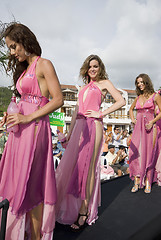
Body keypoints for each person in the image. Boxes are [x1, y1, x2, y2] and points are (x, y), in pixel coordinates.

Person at [0, 23, 63, 240]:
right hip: (19, 133)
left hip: (35, 131)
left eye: (13, 46)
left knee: (33, 187)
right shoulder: (24, 69)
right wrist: (10, 116)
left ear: (24, 40)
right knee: (17, 181)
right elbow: (23, 101)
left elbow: (58, 100)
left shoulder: (44, 64)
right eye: (9, 48)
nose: (11, 52)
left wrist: (27, 117)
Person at [55, 54, 125, 231]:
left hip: (93, 127)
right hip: (79, 126)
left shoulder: (104, 84)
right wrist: (70, 133)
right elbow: (77, 110)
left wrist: (101, 113)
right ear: (86, 69)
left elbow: (121, 101)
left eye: (96, 66)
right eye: (90, 66)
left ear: (100, 68)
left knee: (89, 169)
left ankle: (84, 210)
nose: (92, 69)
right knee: (74, 168)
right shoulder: (84, 87)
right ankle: (71, 205)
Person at [129, 73, 161, 194]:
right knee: (135, 152)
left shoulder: (155, 96)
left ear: (147, 82)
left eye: (142, 82)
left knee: (149, 153)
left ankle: (148, 180)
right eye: (138, 82)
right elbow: (130, 109)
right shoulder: (138, 97)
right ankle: (137, 179)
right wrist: (132, 119)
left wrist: (152, 122)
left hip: (149, 128)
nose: (140, 84)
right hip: (138, 128)